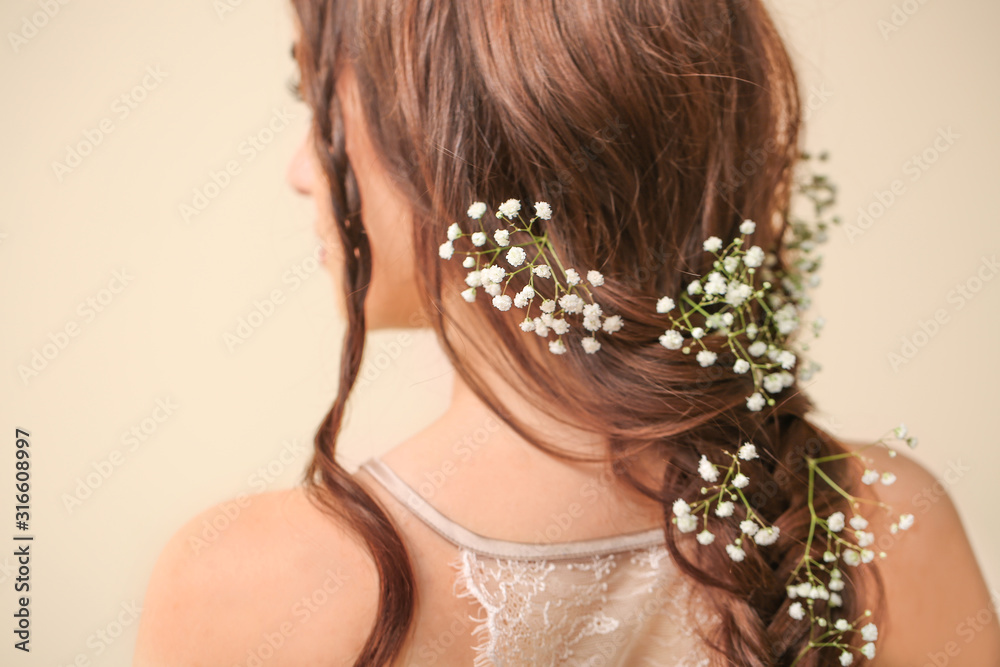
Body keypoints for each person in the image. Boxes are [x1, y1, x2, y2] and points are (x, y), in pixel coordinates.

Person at [134, 1, 1000, 665]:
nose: (297, 169)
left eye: (314, 93)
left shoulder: (239, 586)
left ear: (464, 130)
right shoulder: (887, 525)